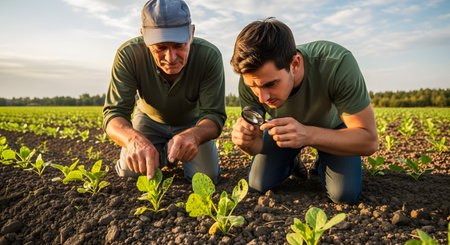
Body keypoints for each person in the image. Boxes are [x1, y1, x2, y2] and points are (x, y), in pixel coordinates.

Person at [230, 18, 378, 204]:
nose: (262, 98)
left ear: (295, 64)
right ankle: (291, 162)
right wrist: (245, 142)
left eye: (271, 84)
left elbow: (369, 141)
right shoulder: (252, 76)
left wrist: (308, 135)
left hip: (336, 130)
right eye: (253, 86)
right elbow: (256, 146)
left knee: (345, 195)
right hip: (282, 133)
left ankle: (323, 161)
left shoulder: (337, 64)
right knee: (259, 184)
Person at [103, 0, 226, 184]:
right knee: (130, 173)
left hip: (192, 123)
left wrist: (193, 135)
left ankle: (167, 152)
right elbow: (114, 114)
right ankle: (164, 153)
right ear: (144, 36)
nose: (171, 58)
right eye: (160, 48)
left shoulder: (208, 56)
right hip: (148, 120)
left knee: (207, 178)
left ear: (191, 34)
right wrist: (133, 139)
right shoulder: (128, 55)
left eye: (179, 45)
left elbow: (214, 116)